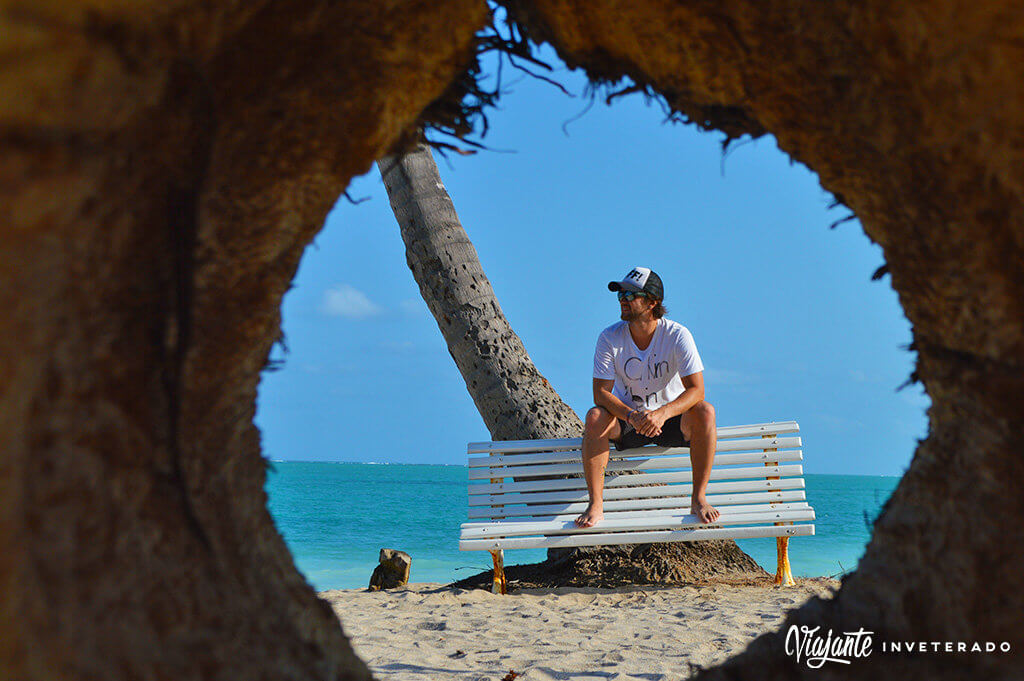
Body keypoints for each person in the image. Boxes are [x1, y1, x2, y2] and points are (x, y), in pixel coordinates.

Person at [575, 267, 721, 528]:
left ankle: (699, 498)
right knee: (595, 416)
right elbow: (601, 393)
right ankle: (595, 504)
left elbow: (697, 390)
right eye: (620, 293)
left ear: (652, 302)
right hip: (628, 420)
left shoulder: (677, 335)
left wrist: (662, 413)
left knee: (705, 411)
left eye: (630, 294)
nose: (622, 299)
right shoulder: (609, 337)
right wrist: (632, 415)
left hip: (670, 420)